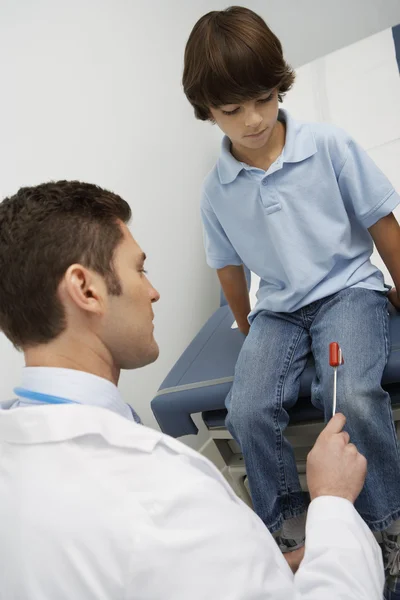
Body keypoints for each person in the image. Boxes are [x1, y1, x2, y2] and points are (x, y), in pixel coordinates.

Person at [0, 180, 385, 598]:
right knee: (247, 408)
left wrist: (269, 563)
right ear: (86, 289)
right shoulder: (161, 494)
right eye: (139, 268)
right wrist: (332, 501)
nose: (153, 291)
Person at [182, 6, 400, 597]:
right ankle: (289, 529)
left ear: (281, 85)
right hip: (277, 311)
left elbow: (382, 220)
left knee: (351, 394)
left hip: (347, 291)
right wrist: (248, 329)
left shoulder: (329, 146)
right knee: (247, 407)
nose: (252, 119)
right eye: (232, 110)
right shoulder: (216, 190)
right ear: (208, 111)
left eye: (264, 98)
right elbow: (228, 267)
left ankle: (387, 525)